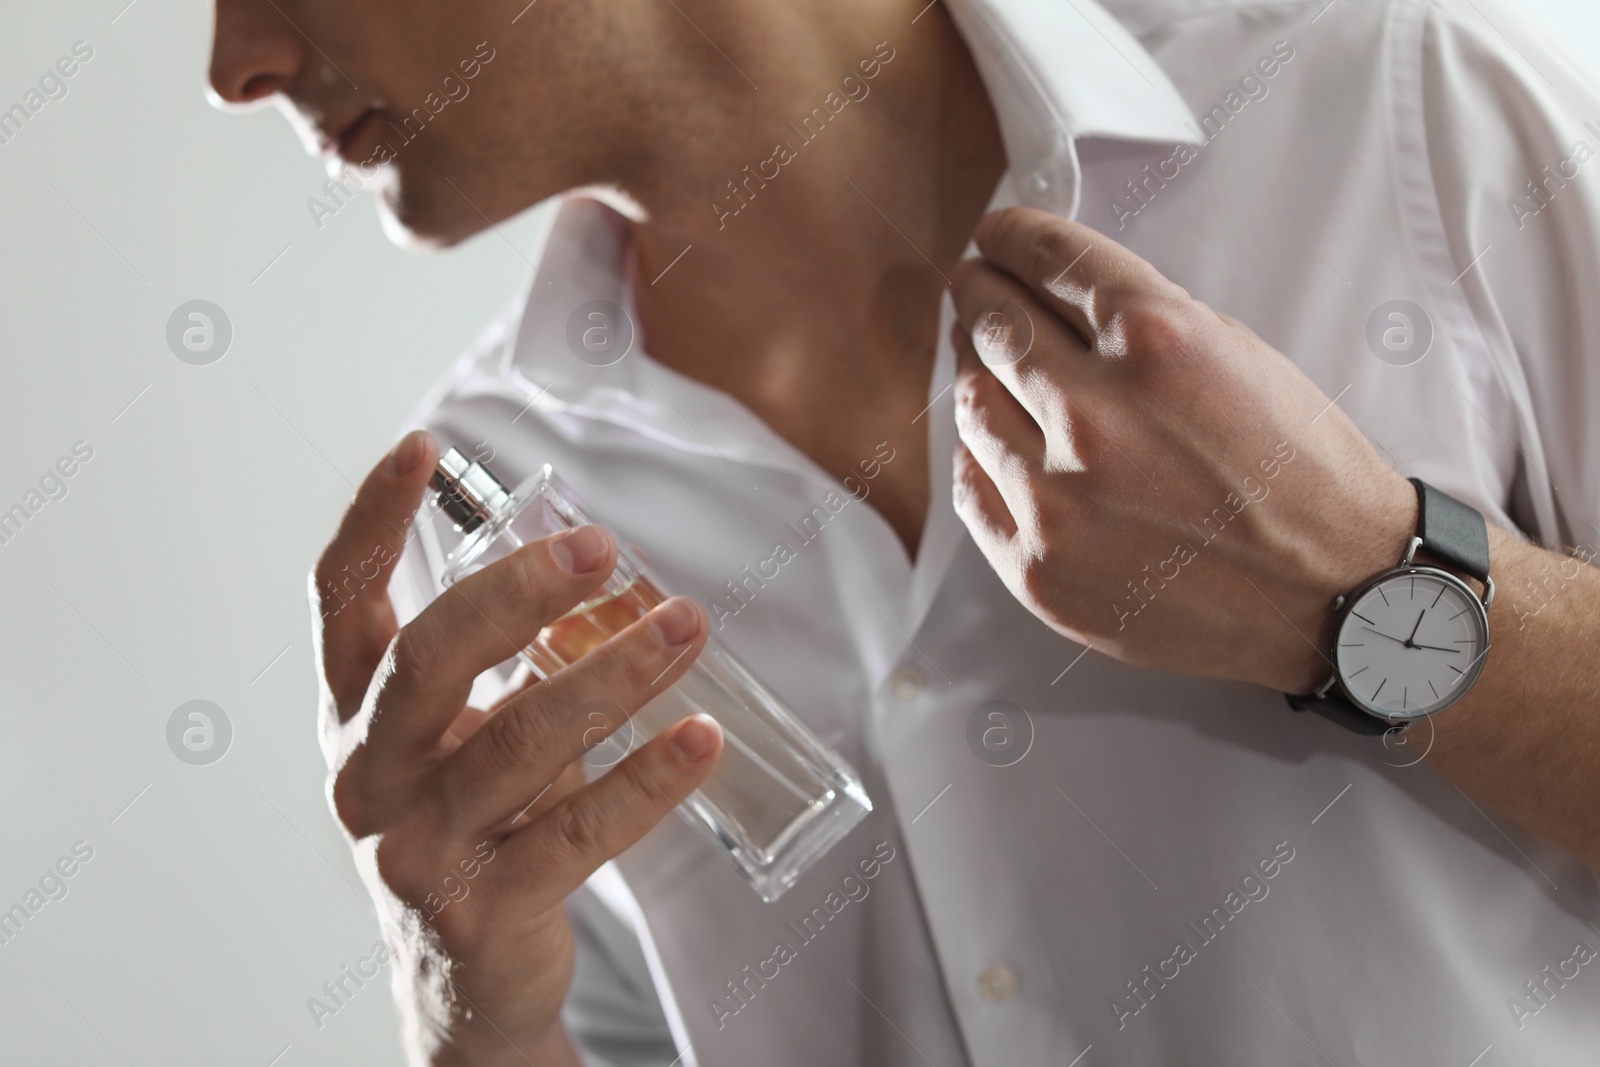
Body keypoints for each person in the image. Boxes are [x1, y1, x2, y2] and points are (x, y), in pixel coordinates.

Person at [210, 0, 1600, 1063]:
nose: (235, 61)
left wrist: (1369, 605)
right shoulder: (478, 523)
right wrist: (476, 1028)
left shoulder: (1406, 121)